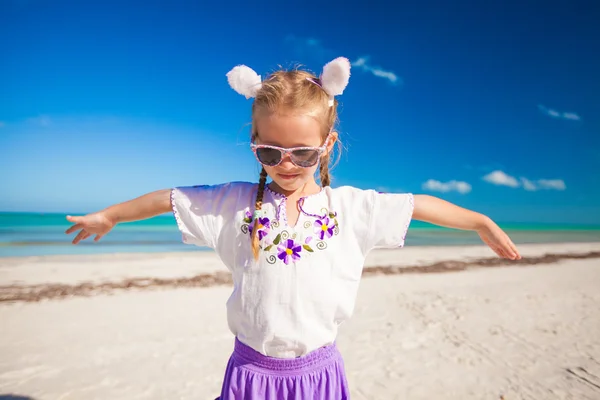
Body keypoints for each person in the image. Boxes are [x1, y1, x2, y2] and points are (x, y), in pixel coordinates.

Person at [65, 56, 521, 399]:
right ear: (253, 144)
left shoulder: (351, 209)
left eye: (302, 153)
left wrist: (480, 222)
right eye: (269, 152)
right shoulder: (233, 203)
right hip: (250, 373)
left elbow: (418, 205)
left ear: (327, 145)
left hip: (319, 373)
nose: (286, 164)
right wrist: (110, 215)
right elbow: (169, 198)